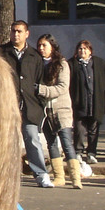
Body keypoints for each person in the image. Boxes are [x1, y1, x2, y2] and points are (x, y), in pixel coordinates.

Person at [0, 20, 52, 188]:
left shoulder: (34, 56)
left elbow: (41, 81)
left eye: (19, 31)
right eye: (13, 31)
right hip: (7, 105)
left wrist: (40, 104)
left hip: (30, 106)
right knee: (7, 142)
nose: (16, 34)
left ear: (26, 34)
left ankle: (41, 174)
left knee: (32, 140)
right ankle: (6, 174)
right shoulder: (1, 53)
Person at [35, 34, 79, 188]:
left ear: (52, 47)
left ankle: (75, 177)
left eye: (44, 45)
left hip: (61, 110)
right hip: (45, 110)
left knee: (66, 143)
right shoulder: (37, 63)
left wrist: (41, 90)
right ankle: (59, 176)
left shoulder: (62, 64)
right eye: (39, 45)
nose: (41, 48)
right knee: (51, 143)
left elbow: (62, 87)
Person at [67, 39, 105, 164]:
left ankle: (91, 153)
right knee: (79, 129)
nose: (82, 51)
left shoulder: (98, 63)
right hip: (79, 103)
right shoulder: (72, 64)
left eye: (85, 48)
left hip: (94, 103)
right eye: (80, 48)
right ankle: (78, 152)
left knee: (93, 129)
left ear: (90, 51)